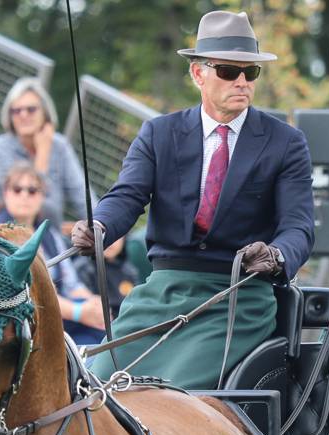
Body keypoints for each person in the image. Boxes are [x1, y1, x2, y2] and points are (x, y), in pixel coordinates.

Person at [69, 10, 314, 389]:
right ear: (198, 73)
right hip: (160, 293)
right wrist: (99, 226)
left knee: (170, 393)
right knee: (97, 385)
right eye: (229, 71)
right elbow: (127, 196)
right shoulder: (158, 134)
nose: (242, 82)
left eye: (251, 72)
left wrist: (277, 255)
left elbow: (299, 226)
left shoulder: (286, 142)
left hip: (238, 298)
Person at [0, 161, 106, 338]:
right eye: (17, 189)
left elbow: (71, 284)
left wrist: (93, 304)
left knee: (105, 330)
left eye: (32, 190)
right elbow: (23, 294)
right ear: (6, 193)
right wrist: (78, 312)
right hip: (17, 324)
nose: (24, 195)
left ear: (42, 196)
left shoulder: (49, 234)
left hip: (58, 317)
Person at [0, 77, 91, 226]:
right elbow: (32, 207)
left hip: (49, 230)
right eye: (16, 111)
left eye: (31, 109)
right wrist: (43, 153)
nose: (23, 115)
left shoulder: (60, 146)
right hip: (5, 228)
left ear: (45, 113)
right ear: (9, 116)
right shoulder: (1, 149)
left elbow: (81, 195)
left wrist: (100, 224)